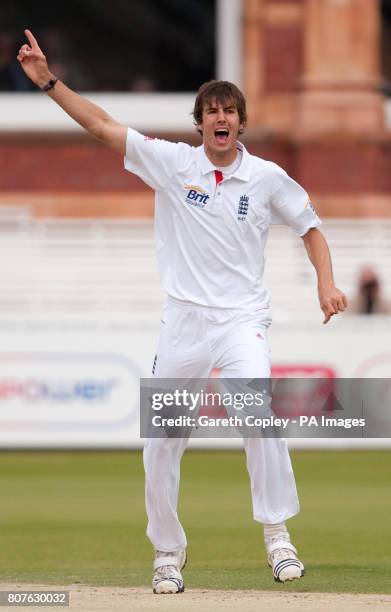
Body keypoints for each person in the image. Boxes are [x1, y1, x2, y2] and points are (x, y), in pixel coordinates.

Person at [17, 29, 347, 595]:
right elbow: (100, 125)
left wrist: (327, 283)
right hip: (184, 322)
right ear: (200, 123)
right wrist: (48, 81)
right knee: (162, 439)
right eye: (211, 111)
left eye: (230, 111)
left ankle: (277, 534)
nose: (220, 118)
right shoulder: (172, 163)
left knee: (257, 415)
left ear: (240, 122)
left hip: (242, 320)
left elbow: (310, 227)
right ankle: (167, 552)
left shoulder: (266, 176)